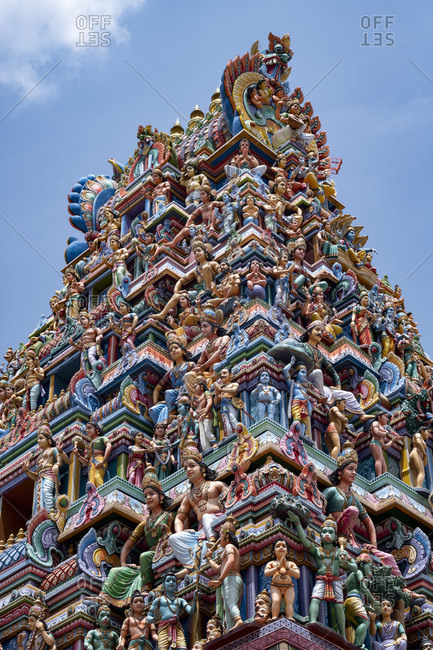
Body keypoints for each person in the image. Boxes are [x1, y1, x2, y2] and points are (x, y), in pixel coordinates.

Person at [102, 466, 173, 603]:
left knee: (144, 556)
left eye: (151, 494)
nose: (148, 498)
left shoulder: (169, 516)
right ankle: (104, 598)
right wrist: (123, 564)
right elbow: (127, 546)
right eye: (145, 495)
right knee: (114, 572)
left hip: (163, 553)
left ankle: (145, 589)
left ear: (161, 496)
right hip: (148, 562)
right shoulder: (144, 524)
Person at [168, 442, 227, 579]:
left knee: (207, 517)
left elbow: (230, 498)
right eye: (185, 468)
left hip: (218, 521)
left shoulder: (216, 485)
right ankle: (191, 566)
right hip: (201, 531)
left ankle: (211, 542)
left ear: (202, 469)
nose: (188, 469)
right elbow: (179, 518)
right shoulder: (188, 497)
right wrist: (181, 531)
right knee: (173, 538)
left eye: (192, 466)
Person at [206, 516, 243, 631]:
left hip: (231, 578)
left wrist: (220, 579)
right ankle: (232, 628)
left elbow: (231, 561)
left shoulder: (229, 546)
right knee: (228, 609)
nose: (219, 538)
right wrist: (209, 558)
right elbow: (218, 569)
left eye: (221, 535)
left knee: (231, 604)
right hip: (231, 578)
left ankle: (238, 620)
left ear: (226, 536)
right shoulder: (227, 549)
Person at [147, 572, 197, 650]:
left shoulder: (180, 600)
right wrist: (154, 619)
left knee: (183, 648)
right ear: (163, 584)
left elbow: (191, 611)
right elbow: (148, 618)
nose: (171, 582)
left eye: (173, 581)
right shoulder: (158, 600)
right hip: (163, 627)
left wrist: (195, 600)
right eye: (168, 580)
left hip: (177, 627)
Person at [23, 424, 60, 512]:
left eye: (41, 438)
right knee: (39, 497)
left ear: (49, 440)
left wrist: (56, 464)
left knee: (46, 491)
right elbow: (36, 477)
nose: (38, 441)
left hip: (49, 475)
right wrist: (27, 471)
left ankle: (50, 512)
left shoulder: (53, 450)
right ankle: (41, 513)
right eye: (38, 439)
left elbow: (59, 460)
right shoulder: (39, 458)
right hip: (40, 478)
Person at [264, 539, 300, 620]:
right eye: (278, 546)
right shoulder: (272, 563)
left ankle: (290, 617)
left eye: (284, 546)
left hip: (289, 586)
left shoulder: (290, 563)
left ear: (287, 551)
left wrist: (287, 568)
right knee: (276, 601)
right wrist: (278, 567)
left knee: (289, 603)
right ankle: (274, 617)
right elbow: (266, 573)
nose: (281, 548)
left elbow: (297, 575)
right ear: (273, 551)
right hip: (275, 586)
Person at [74, 421, 111, 488]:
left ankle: (101, 495)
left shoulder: (102, 438)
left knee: (97, 477)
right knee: (91, 482)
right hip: (91, 463)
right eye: (86, 429)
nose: (87, 430)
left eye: (89, 428)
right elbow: (86, 463)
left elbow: (109, 446)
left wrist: (104, 460)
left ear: (97, 430)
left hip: (99, 459)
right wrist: (77, 455)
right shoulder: (89, 445)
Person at [370, 412, 403, 477]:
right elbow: (376, 432)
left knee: (384, 466)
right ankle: (379, 477)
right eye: (385, 416)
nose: (387, 419)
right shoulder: (375, 423)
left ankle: (384, 480)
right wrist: (386, 434)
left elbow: (384, 447)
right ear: (379, 417)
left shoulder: (381, 427)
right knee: (379, 460)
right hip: (375, 443)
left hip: (379, 445)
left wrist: (393, 440)